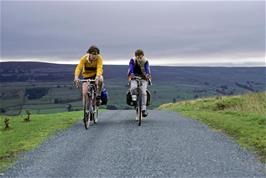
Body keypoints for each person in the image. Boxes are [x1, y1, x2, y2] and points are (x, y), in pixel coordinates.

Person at [128, 49, 151, 117]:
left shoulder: (145, 61)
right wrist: (131, 73)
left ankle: (143, 109)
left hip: (144, 77)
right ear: (135, 56)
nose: (139, 58)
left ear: (143, 56)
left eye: (140, 57)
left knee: (144, 92)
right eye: (138, 57)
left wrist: (147, 75)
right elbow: (131, 67)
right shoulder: (133, 60)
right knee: (133, 88)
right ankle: (134, 98)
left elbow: (147, 69)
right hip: (134, 76)